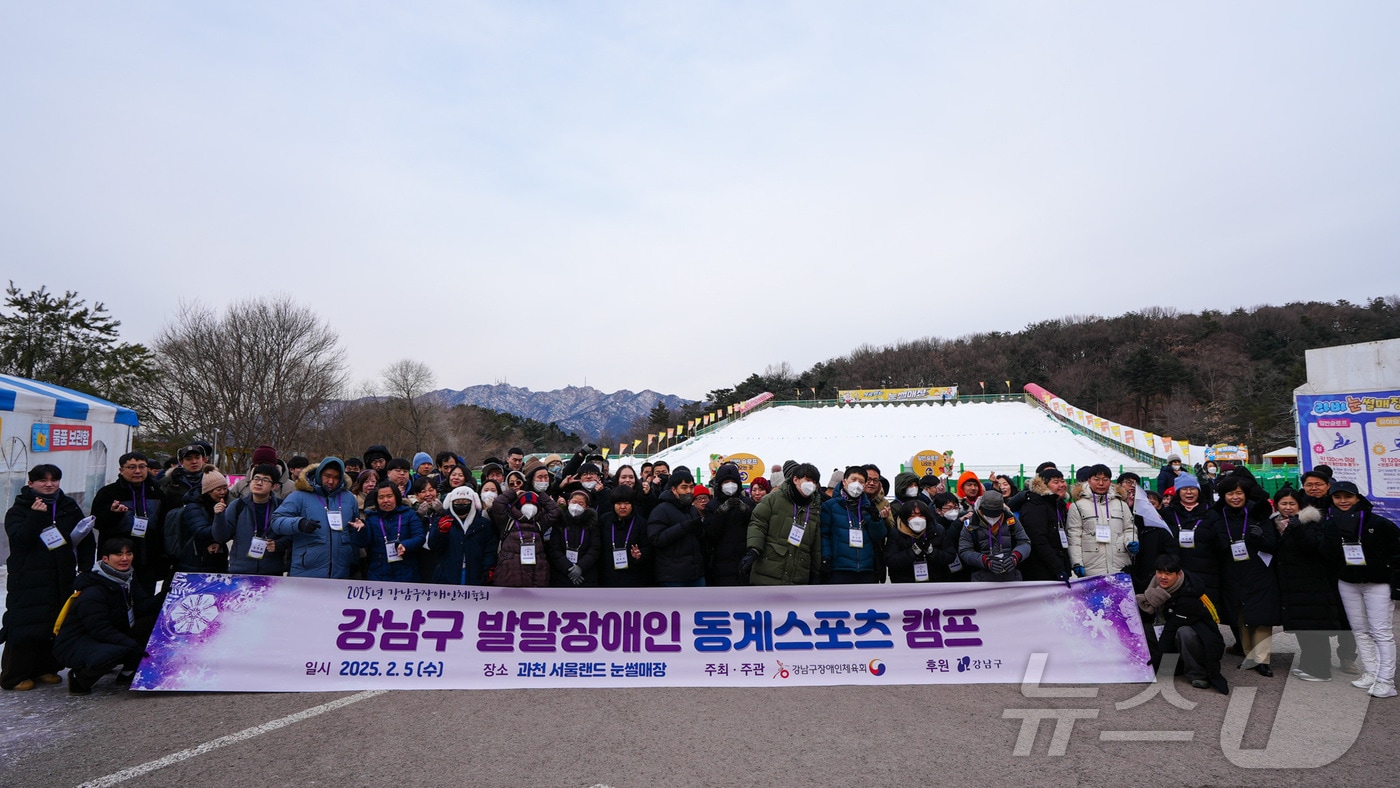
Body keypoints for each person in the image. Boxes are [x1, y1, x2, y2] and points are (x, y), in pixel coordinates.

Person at [1, 465, 89, 691]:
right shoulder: (19, 510)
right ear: (31, 484)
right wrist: (36, 516)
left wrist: (85, 569)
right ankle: (15, 674)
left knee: (54, 622)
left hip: (61, 573)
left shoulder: (68, 506)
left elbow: (85, 537)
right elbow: (21, 540)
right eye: (42, 480)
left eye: (54, 479)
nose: (49, 484)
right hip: (28, 576)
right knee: (25, 623)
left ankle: (46, 668)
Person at [54, 538, 162, 695]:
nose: (125, 559)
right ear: (105, 559)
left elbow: (144, 607)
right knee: (116, 651)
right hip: (77, 642)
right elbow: (100, 629)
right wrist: (132, 645)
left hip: (110, 631)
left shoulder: (127, 579)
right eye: (118, 554)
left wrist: (167, 593)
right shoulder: (94, 590)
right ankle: (80, 679)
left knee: (152, 622)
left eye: (128, 553)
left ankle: (128, 672)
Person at [1323, 481, 1400, 698]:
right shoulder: (1331, 525)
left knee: (1381, 632)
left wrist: (1396, 583)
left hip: (1378, 584)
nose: (1343, 501)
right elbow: (1327, 555)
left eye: (1348, 496)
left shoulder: (1379, 523)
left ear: (1358, 498)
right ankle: (1371, 672)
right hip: (1348, 583)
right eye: (1337, 497)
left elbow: (1397, 552)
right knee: (1360, 630)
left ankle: (1386, 681)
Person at [1211, 476, 1280, 677]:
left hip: (1258, 570)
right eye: (1230, 493)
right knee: (1241, 615)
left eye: (1239, 493)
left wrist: (1260, 538)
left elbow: (1272, 545)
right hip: (1232, 571)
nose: (1235, 497)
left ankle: (1263, 659)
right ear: (1223, 496)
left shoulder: (1259, 513)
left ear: (1246, 494)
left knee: (1262, 616)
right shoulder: (1217, 515)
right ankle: (1249, 655)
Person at [1271, 487, 1340, 681]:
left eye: (1292, 504)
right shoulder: (1276, 523)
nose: (1288, 507)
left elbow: (1313, 549)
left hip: (1310, 583)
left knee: (1315, 628)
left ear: (1300, 505)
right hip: (1292, 584)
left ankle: (1321, 670)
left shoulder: (1310, 522)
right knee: (1303, 628)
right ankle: (1309, 664)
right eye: (1283, 503)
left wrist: (1298, 529)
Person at [1136, 554, 1228, 694]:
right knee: (1145, 630)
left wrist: (1156, 658)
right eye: (1160, 572)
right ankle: (1173, 666)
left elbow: (1171, 629)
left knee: (1185, 632)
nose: (1162, 577)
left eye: (1168, 573)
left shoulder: (1189, 594)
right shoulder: (1155, 585)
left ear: (1178, 575)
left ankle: (1198, 674)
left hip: (1202, 641)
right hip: (1170, 635)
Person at [271, 457, 362, 579]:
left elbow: (353, 530)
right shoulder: (299, 496)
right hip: (306, 570)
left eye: (336, 477)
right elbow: (276, 521)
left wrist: (354, 558)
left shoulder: (349, 498)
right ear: (319, 474)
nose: (331, 481)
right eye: (327, 476)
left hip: (341, 571)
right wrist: (300, 523)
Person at [91, 451, 166, 595]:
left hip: (148, 559)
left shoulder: (156, 492)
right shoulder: (108, 493)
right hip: (118, 561)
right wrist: (113, 513)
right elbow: (96, 523)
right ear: (121, 470)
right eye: (131, 467)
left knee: (145, 603)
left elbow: (162, 525)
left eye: (142, 466)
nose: (137, 471)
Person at [743, 463, 823, 586]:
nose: (811, 485)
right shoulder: (773, 499)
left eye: (814, 482)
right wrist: (754, 549)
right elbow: (758, 524)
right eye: (808, 480)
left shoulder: (814, 508)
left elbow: (815, 543)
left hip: (798, 574)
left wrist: (816, 571)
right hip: (768, 571)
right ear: (795, 479)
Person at [212, 464, 290, 576]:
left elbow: (291, 536)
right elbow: (221, 536)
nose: (259, 483)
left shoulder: (281, 507)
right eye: (256, 478)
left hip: (271, 571)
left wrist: (278, 545)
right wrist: (219, 517)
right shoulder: (237, 505)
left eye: (265, 480)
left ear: (274, 486)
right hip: (240, 570)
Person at [1067, 465, 1137, 578]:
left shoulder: (1121, 504)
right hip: (1091, 567)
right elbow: (1074, 537)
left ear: (1110, 481)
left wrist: (1131, 542)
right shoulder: (1078, 506)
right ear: (1089, 480)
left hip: (1120, 566)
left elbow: (1129, 529)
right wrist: (1077, 562)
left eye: (1105, 480)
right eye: (1096, 479)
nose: (1101, 483)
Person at [819, 466, 888, 583]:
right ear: (844, 481)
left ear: (865, 485)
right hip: (839, 568)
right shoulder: (830, 506)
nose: (857, 484)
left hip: (866, 569)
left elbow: (878, 536)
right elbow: (824, 536)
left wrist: (877, 520)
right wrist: (826, 558)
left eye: (861, 481)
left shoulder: (868, 507)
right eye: (853, 479)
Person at [349, 482, 425, 583]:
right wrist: (361, 530)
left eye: (389, 496)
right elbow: (363, 543)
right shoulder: (371, 518)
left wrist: (405, 545)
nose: (385, 500)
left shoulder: (409, 514)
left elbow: (420, 537)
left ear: (396, 497)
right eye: (381, 497)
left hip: (406, 569)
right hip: (378, 571)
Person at [647, 468, 708, 587]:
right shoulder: (661, 510)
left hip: (696, 575)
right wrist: (682, 527)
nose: (689, 491)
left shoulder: (692, 509)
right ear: (674, 489)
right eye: (684, 487)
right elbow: (655, 538)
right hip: (673, 577)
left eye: (691, 487)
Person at [428, 486, 496, 586]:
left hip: (475, 574)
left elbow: (490, 549)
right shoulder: (441, 521)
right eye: (457, 502)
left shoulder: (484, 525)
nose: (461, 505)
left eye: (465, 502)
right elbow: (433, 546)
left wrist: (488, 569)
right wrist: (441, 532)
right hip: (448, 574)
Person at [489, 489, 557, 587]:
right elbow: (498, 504)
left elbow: (555, 511)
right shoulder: (508, 521)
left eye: (533, 504)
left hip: (537, 574)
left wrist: (540, 495)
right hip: (509, 574)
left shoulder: (540, 523)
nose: (530, 507)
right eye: (526, 503)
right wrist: (513, 493)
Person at [958, 491, 1031, 582]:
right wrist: (985, 561)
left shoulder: (1011, 519)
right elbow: (964, 550)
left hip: (1011, 577)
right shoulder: (970, 524)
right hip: (982, 579)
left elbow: (1024, 542)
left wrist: (1016, 556)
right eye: (989, 514)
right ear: (981, 508)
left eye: (996, 514)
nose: (993, 518)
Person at [171, 466, 230, 574]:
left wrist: (218, 541)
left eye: (225, 488)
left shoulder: (225, 503)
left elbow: (230, 529)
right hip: (195, 560)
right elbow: (200, 530)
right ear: (208, 491)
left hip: (217, 560)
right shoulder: (193, 507)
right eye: (218, 489)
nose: (223, 492)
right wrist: (220, 524)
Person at [1017, 469, 1071, 582]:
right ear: (1044, 485)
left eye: (1063, 481)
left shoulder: (1059, 504)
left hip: (1057, 564)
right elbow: (1038, 540)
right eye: (1056, 482)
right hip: (1040, 570)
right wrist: (1057, 567)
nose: (1061, 485)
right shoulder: (1035, 505)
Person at [884, 500, 957, 583]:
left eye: (921, 515)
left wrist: (932, 552)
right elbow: (889, 560)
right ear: (905, 517)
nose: (917, 519)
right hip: (906, 583)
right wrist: (912, 552)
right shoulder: (896, 532)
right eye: (912, 516)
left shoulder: (938, 530)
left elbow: (950, 556)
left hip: (936, 581)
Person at [705, 464, 752, 586]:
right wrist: (720, 513)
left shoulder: (748, 503)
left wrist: (746, 511)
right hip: (722, 564)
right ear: (720, 484)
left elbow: (756, 528)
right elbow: (710, 535)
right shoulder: (712, 506)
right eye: (726, 481)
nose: (730, 485)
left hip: (746, 561)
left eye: (733, 481)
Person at [598, 484, 650, 587]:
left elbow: (648, 548)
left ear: (632, 504)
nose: (622, 507)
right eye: (618, 503)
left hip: (634, 577)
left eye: (626, 503)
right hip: (607, 576)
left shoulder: (641, 523)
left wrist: (640, 555)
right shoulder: (604, 520)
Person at [548, 490, 601, 587]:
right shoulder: (559, 521)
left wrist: (580, 567)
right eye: (574, 502)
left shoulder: (592, 524)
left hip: (586, 575)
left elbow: (595, 548)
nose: (576, 506)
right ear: (568, 502)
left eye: (581, 503)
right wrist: (568, 568)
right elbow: (554, 548)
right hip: (562, 575)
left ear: (586, 507)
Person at [228, 445, 296, 500]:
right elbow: (230, 505)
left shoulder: (291, 487)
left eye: (265, 464)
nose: (262, 469)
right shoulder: (241, 485)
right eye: (258, 464)